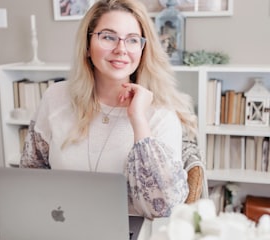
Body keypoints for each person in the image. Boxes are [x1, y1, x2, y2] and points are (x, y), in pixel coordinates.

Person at [20, 0, 198, 220]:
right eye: (108, 37)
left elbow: (162, 208)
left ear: (143, 49)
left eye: (132, 40)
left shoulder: (161, 114)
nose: (121, 49)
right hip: (62, 226)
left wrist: (138, 120)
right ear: (87, 46)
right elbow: (31, 172)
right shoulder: (55, 97)